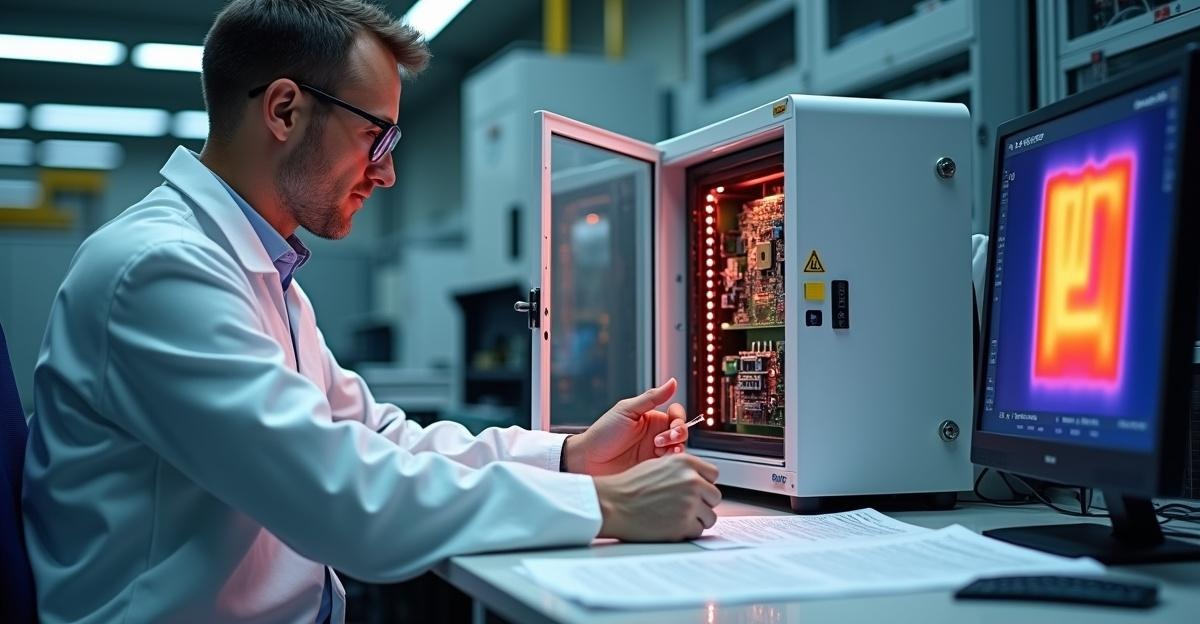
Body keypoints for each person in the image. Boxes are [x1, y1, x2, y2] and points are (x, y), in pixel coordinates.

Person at [21, 1, 720, 622]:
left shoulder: (262, 272)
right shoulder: (161, 270)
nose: (386, 172)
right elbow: (340, 498)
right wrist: (608, 508)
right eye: (374, 137)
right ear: (285, 110)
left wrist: (568, 458)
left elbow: (374, 437)